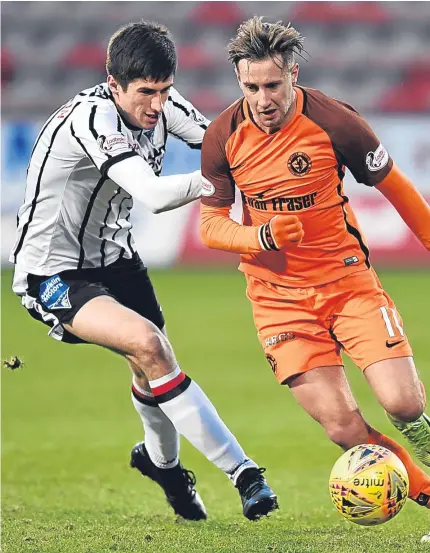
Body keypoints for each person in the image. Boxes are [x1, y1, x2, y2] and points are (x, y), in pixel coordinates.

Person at [10, 20, 278, 522]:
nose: (156, 106)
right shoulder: (92, 120)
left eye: (165, 91)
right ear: (114, 84)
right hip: (54, 272)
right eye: (145, 93)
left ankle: (163, 467)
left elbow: (224, 145)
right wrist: (215, 183)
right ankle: (245, 474)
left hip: (117, 259)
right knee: (150, 345)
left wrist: (282, 157)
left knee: (149, 362)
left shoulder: (162, 104)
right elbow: (154, 195)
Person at [200, 16, 430, 524]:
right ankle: (426, 489)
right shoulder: (222, 136)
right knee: (343, 430)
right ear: (239, 82)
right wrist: (259, 236)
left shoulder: (336, 122)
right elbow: (210, 226)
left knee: (404, 404)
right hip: (277, 299)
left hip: (348, 284)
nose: (263, 99)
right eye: (251, 87)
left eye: (273, 85)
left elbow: (400, 190)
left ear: (294, 74)